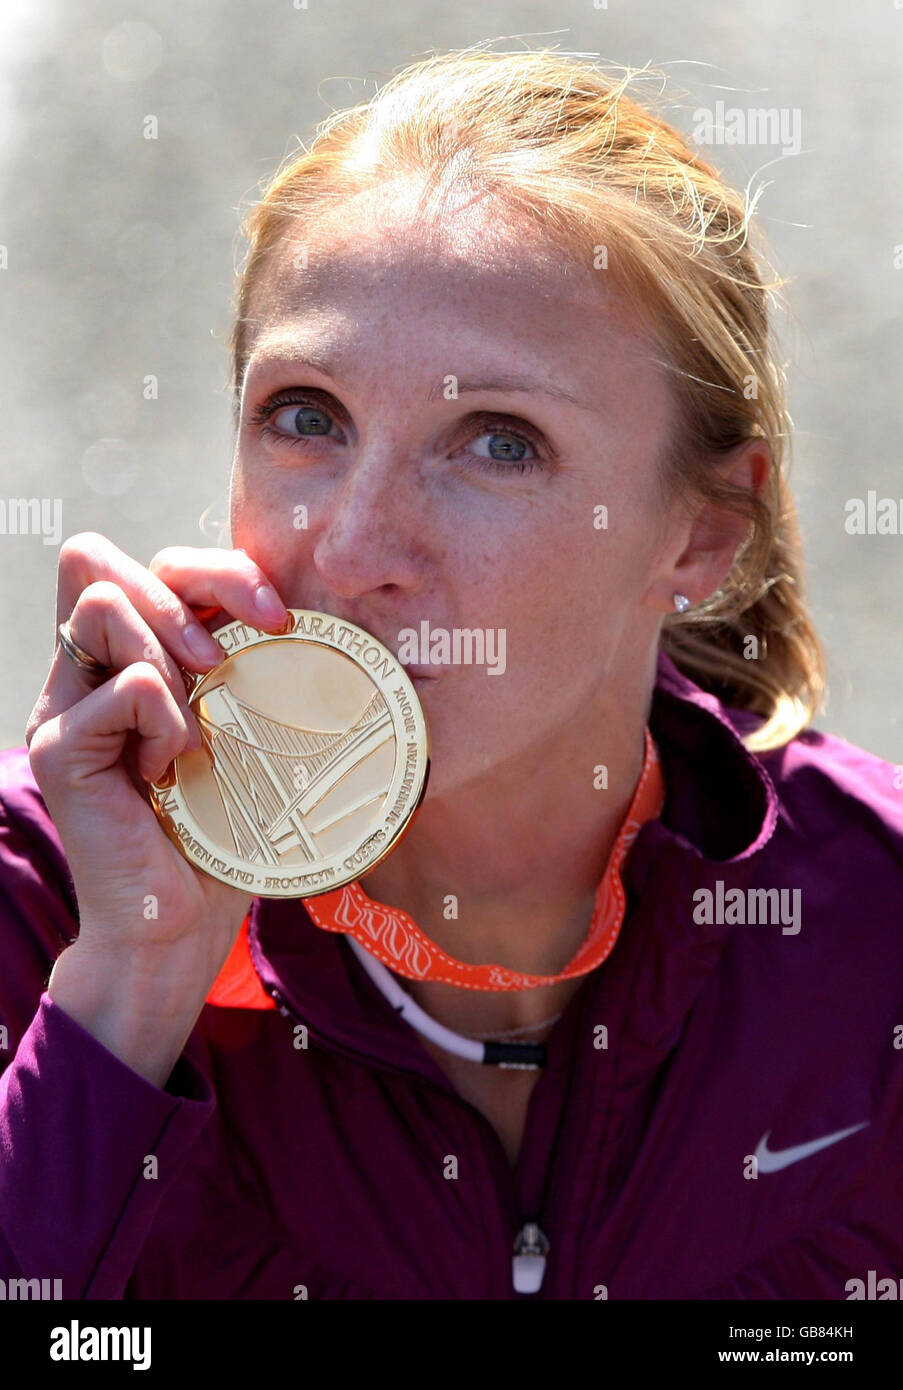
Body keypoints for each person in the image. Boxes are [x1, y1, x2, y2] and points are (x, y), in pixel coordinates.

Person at [1, 47, 901, 1301]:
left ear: (697, 534)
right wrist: (131, 984)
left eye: (498, 441)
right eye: (308, 417)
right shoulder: (46, 894)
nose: (356, 550)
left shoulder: (874, 927)